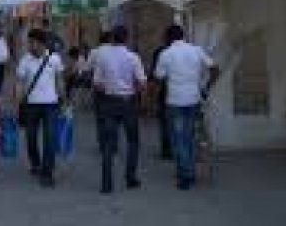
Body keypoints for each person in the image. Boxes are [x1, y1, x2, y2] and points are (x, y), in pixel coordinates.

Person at [154, 24, 220, 190]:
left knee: (178, 139)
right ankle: (189, 170)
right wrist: (206, 88)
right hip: (194, 99)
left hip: (175, 101)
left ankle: (186, 174)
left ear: (168, 38)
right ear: (183, 36)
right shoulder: (196, 50)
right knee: (190, 136)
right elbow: (215, 69)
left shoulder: (166, 54)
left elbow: (159, 77)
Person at [93, 25, 146, 194]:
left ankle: (106, 184)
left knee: (108, 144)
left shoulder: (102, 57)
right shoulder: (133, 57)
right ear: (127, 38)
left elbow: (97, 83)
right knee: (132, 141)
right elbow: (142, 82)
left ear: (112, 39)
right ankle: (130, 178)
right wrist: (133, 94)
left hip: (108, 102)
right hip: (128, 102)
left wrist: (110, 90)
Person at [14, 29, 65, 188]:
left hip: (51, 105)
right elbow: (20, 82)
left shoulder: (54, 59)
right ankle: (35, 163)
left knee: (49, 138)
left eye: (32, 42)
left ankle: (47, 172)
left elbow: (59, 80)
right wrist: (17, 101)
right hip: (31, 105)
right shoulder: (25, 60)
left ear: (42, 43)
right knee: (31, 138)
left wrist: (63, 99)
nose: (29, 45)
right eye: (29, 42)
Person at [150, 30, 176, 160]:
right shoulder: (191, 50)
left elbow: (156, 77)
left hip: (165, 93)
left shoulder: (160, 52)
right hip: (188, 96)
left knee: (165, 123)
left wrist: (153, 98)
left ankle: (167, 150)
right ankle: (177, 149)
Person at [90, 31, 112, 153]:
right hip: (113, 89)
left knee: (100, 117)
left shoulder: (94, 52)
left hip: (98, 88)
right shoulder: (114, 51)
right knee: (112, 117)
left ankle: (102, 142)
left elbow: (87, 68)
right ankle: (112, 142)